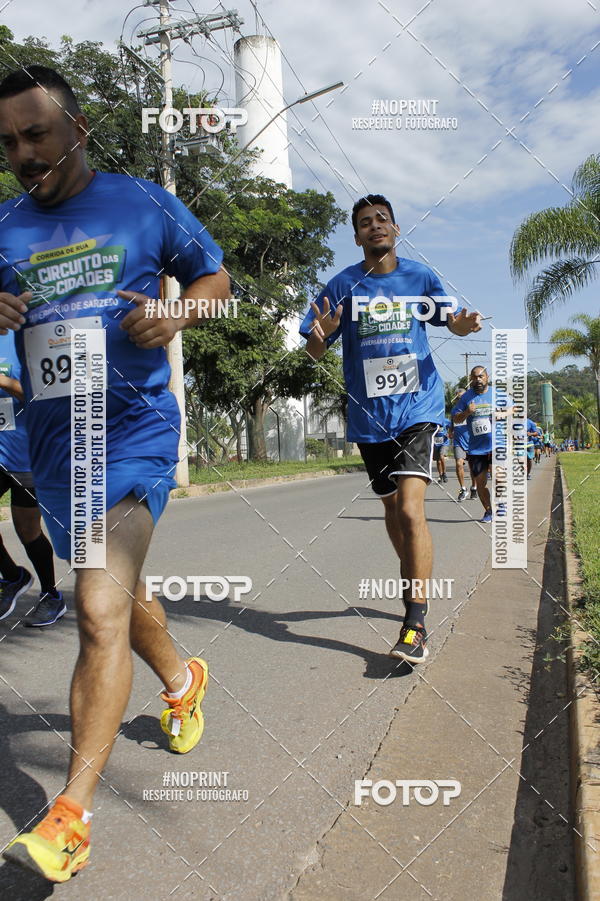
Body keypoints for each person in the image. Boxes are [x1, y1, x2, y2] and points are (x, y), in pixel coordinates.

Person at [0, 65, 230, 883]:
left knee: (98, 604)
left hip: (133, 435)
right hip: (54, 450)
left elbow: (216, 277)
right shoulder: (3, 228)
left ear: (79, 127)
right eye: (10, 143)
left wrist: (179, 310)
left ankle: (70, 815)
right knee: (121, 599)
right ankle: (182, 676)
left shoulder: (144, 203)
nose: (25, 154)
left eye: (37, 134)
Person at [300, 193, 481, 664]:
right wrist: (319, 337)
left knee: (410, 508)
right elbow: (313, 351)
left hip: (419, 408)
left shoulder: (419, 277)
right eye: (364, 222)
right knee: (392, 512)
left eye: (382, 219)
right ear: (356, 235)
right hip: (369, 419)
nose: (374, 226)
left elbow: (453, 324)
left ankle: (415, 623)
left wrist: (462, 325)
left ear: (395, 229)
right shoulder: (341, 285)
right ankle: (414, 577)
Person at [0, 330, 63, 625]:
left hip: (26, 455)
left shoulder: (25, 339)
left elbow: (44, 395)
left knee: (27, 530)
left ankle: (51, 595)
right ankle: (13, 577)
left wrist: (3, 382)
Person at [452, 367, 511, 523]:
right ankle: (489, 511)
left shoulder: (497, 393)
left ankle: (501, 503)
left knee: (499, 476)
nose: (478, 379)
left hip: (496, 443)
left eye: (481, 376)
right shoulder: (466, 398)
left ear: (487, 377)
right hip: (476, 448)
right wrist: (466, 413)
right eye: (474, 377)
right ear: (471, 379)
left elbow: (514, 407)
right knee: (480, 483)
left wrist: (503, 414)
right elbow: (456, 419)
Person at [449, 388, 476, 502]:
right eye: (458, 398)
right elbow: (452, 423)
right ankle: (463, 489)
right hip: (458, 441)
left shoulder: (472, 410)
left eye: (462, 397)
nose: (460, 399)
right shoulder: (454, 410)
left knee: (472, 467)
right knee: (459, 463)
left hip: (472, 441)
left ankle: (474, 487)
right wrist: (450, 431)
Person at [433, 414, 451, 483]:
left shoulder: (445, 420)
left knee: (441, 456)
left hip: (444, 443)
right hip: (435, 443)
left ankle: (444, 474)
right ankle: (440, 475)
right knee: (438, 460)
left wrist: (449, 433)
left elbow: (452, 427)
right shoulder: (432, 421)